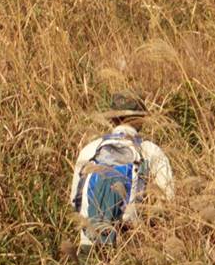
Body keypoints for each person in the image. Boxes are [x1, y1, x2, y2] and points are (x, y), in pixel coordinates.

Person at [69, 92, 174, 250]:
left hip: (89, 241)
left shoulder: (89, 150)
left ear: (112, 119)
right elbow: (167, 200)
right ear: (141, 118)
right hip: (128, 242)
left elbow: (74, 201)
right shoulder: (149, 150)